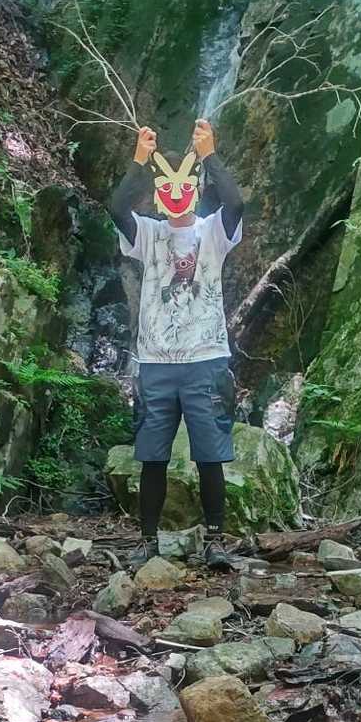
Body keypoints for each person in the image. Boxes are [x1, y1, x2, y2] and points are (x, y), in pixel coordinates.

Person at [110, 116, 244, 569]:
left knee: (210, 456)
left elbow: (236, 201)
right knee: (152, 457)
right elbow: (117, 209)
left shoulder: (213, 231)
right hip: (156, 362)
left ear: (194, 187)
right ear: (158, 191)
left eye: (184, 186)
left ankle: (216, 540)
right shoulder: (149, 234)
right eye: (165, 187)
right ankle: (148, 541)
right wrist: (139, 161)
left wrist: (209, 155)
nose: (175, 194)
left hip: (206, 359)